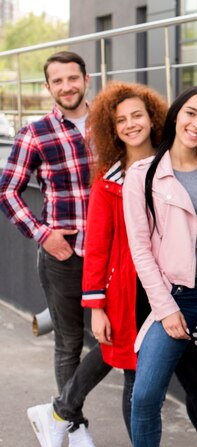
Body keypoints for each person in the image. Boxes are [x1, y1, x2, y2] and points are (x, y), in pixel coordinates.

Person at [81, 81, 197, 441]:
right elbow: (98, 248)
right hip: (131, 296)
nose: (130, 125)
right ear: (113, 129)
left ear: (153, 119)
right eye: (121, 120)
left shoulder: (179, 162)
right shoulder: (108, 181)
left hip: (183, 287)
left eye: (138, 115)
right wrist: (96, 306)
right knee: (138, 382)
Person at [0, 51, 109, 447]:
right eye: (57, 81)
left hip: (111, 255)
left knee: (116, 338)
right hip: (63, 256)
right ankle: (73, 423)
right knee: (68, 343)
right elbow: (7, 190)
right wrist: (42, 233)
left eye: (73, 78)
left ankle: (57, 410)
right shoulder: (35, 133)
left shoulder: (112, 122)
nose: (67, 86)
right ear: (48, 87)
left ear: (86, 79)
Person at [123, 85, 197, 447]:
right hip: (176, 295)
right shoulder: (142, 174)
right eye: (191, 113)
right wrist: (165, 307)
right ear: (175, 115)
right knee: (145, 395)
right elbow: (140, 249)